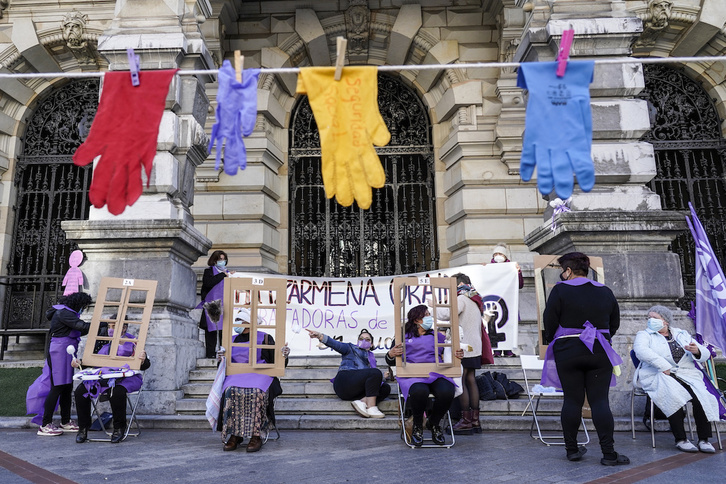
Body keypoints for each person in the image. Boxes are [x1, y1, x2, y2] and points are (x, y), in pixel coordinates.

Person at [542, 252, 629, 465]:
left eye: (563, 271)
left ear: (569, 271)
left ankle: (572, 450)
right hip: (599, 350)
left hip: (568, 350)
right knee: (600, 401)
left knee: (572, 400)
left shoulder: (560, 290)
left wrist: (554, 338)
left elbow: (549, 320)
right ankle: (609, 453)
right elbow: (614, 323)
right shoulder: (605, 291)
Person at [633, 305, 719, 453]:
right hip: (659, 374)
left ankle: (704, 439)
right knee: (673, 395)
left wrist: (697, 350)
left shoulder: (681, 334)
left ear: (665, 321)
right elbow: (641, 351)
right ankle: (681, 439)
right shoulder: (644, 335)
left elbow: (704, 353)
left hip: (686, 374)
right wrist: (663, 365)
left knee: (702, 397)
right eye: (649, 318)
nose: (650, 321)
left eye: (654, 318)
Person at [385, 304, 464, 446]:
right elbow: (390, 359)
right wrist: (391, 354)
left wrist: (458, 354)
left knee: (447, 391)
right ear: (416, 320)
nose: (430, 318)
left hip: (436, 373)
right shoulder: (402, 336)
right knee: (419, 391)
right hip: (412, 375)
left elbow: (450, 352)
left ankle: (433, 423)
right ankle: (417, 426)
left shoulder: (437, 336)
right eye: (426, 315)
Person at [216, 308, 290, 453]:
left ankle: (257, 435)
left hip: (260, 374)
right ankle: (235, 434)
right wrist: (220, 359)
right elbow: (223, 367)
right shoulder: (229, 340)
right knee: (230, 391)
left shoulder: (265, 338)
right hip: (237, 375)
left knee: (256, 392)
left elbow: (277, 363)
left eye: (240, 320)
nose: (236, 323)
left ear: (249, 323)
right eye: (236, 320)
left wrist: (285, 355)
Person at [73, 319, 151, 444]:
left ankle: (119, 428)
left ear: (124, 328)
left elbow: (145, 365)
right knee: (80, 391)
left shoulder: (134, 343)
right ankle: (83, 428)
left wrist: (143, 360)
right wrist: (79, 363)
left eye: (114, 326)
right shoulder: (104, 342)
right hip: (104, 377)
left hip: (126, 378)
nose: (110, 329)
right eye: (109, 326)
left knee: (117, 392)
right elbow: (92, 362)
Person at [26, 292, 93, 436]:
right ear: (78, 304)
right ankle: (45, 424)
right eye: (83, 306)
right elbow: (81, 326)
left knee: (66, 387)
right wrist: (100, 324)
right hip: (59, 352)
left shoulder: (65, 313)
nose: (83, 309)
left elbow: (77, 330)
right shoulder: (64, 313)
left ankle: (65, 421)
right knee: (57, 387)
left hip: (66, 351)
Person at [430, 273, 489, 435]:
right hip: (474, 346)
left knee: (461, 380)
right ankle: (475, 421)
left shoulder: (462, 298)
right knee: (471, 379)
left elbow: (447, 315)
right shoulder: (475, 298)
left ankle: (466, 421)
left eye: (452, 285)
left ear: (460, 283)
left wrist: (433, 305)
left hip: (462, 346)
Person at [306, 328, 390, 418]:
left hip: (356, 390)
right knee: (376, 373)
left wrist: (383, 378)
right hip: (344, 382)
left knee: (385, 388)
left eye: (367, 339)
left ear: (372, 344)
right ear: (357, 341)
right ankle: (372, 407)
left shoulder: (371, 358)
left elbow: (371, 381)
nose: (364, 341)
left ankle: (362, 402)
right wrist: (320, 336)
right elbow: (335, 344)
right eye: (361, 339)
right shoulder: (350, 348)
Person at [200, 250, 235, 358]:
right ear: (214, 260)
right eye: (220, 259)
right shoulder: (209, 271)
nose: (222, 261)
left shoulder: (229, 273)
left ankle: (224, 353)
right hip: (211, 306)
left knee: (224, 331)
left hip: (225, 306)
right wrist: (222, 275)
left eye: (224, 259)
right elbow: (208, 283)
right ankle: (210, 354)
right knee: (211, 331)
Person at [491, 243, 522, 357]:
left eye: (500, 254)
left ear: (505, 256)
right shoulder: (490, 267)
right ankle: (497, 350)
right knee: (496, 325)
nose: (498, 256)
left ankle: (509, 350)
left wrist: (518, 272)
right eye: (496, 254)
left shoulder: (512, 267)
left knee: (509, 324)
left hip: (509, 302)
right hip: (495, 302)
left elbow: (520, 284)